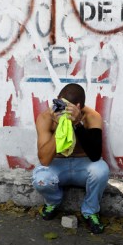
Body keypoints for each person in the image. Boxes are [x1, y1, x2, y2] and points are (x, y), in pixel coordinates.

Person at [32, 83, 109, 234]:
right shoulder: (46, 117)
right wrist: (60, 128)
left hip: (84, 165)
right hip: (57, 165)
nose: (61, 110)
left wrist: (77, 124)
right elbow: (44, 160)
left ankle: (90, 210)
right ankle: (53, 201)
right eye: (59, 104)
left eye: (67, 107)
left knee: (101, 171)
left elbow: (95, 155)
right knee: (41, 179)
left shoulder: (91, 117)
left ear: (79, 106)